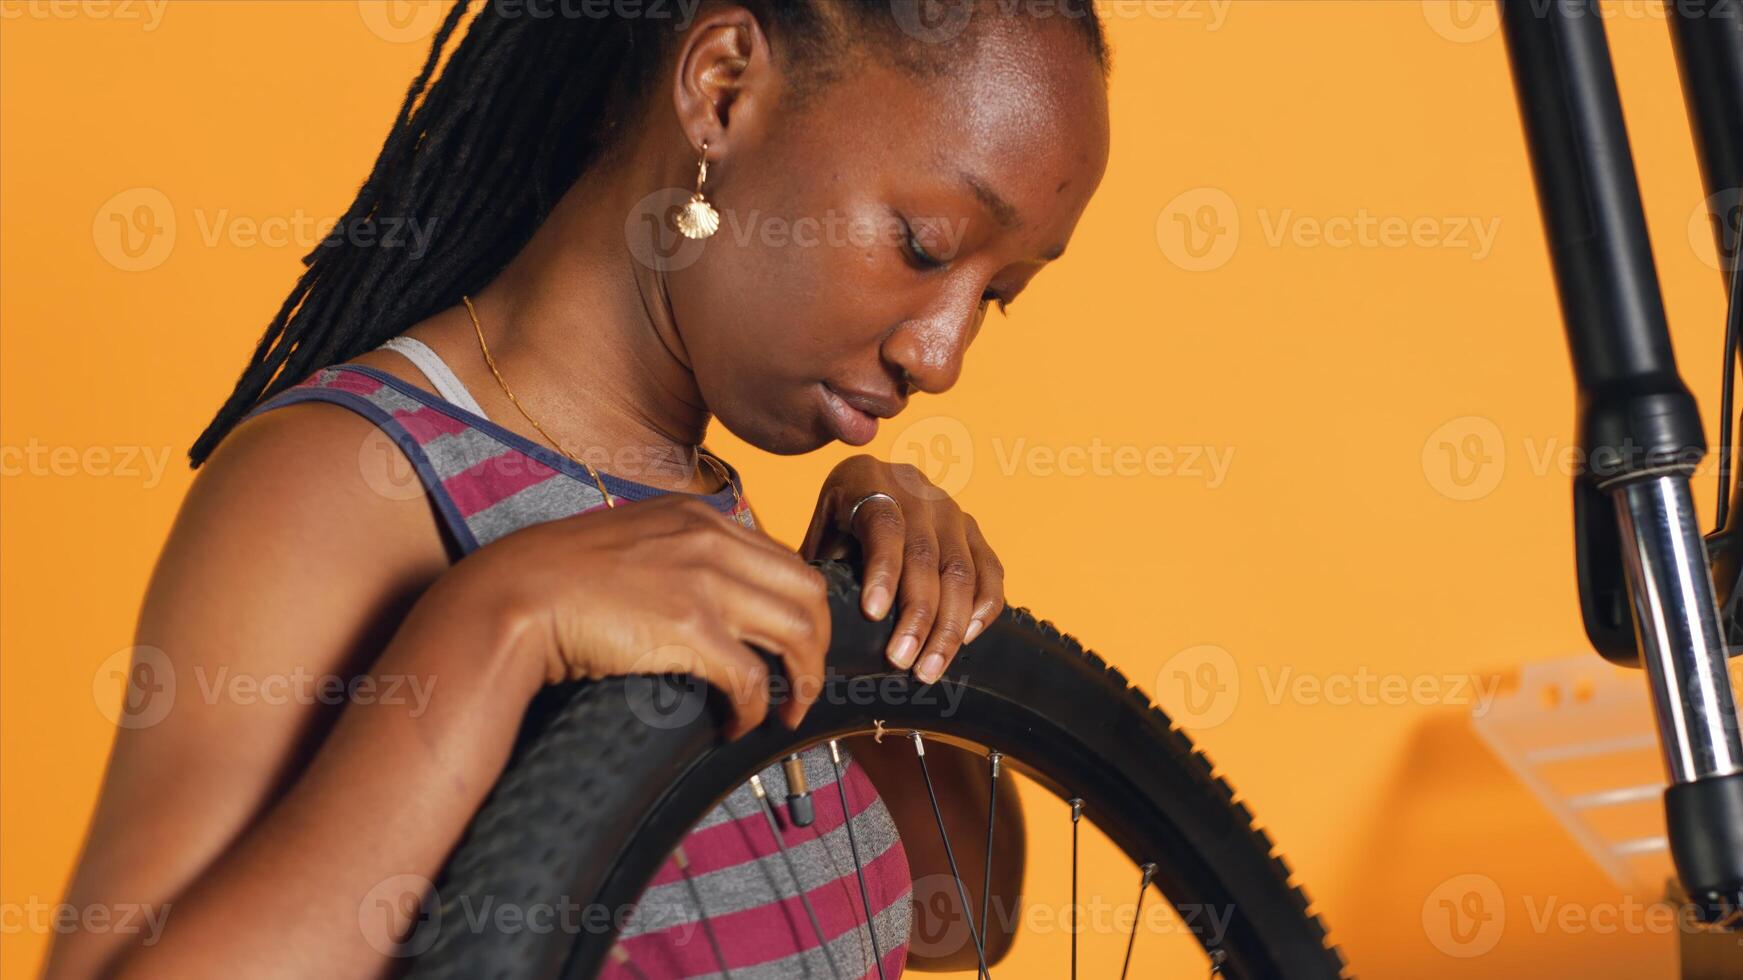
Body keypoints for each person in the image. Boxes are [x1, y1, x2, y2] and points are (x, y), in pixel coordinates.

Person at [48, 1, 1110, 976]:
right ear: (724, 89)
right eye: (924, 245)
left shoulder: (706, 507)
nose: (942, 353)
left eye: (998, 296)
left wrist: (881, 623)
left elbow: (965, 908)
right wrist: (498, 627)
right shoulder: (347, 483)